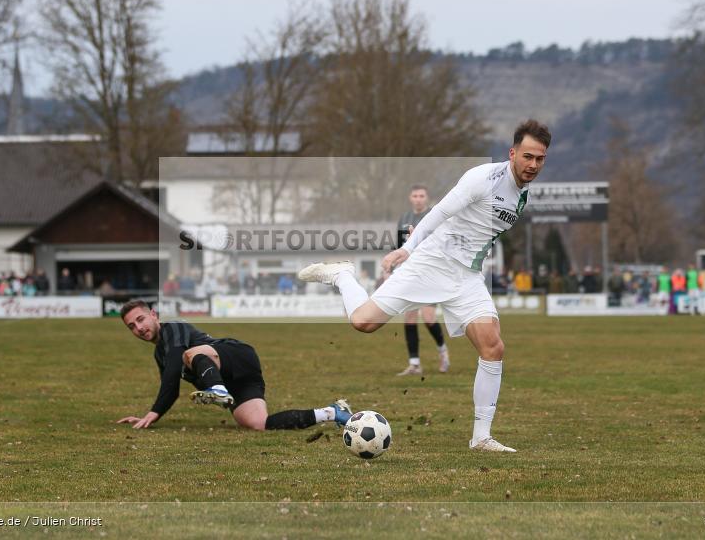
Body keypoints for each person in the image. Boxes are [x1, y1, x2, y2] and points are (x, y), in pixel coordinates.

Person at [298, 119, 551, 453]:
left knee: (493, 347)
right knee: (363, 322)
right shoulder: (483, 178)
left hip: (466, 277)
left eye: (540, 159)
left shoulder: (523, 193)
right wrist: (408, 248)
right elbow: (439, 213)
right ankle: (343, 274)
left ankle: (481, 437)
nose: (533, 164)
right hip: (431, 263)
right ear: (513, 153)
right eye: (528, 156)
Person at [116, 300, 353, 431]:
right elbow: (171, 388)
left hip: (235, 354)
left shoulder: (173, 327)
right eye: (132, 326)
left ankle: (217, 390)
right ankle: (332, 412)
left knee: (188, 354)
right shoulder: (160, 354)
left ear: (154, 315)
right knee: (259, 424)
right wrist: (150, 417)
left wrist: (153, 413)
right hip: (236, 378)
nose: (139, 328)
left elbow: (172, 371)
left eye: (141, 319)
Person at [395, 184, 449, 376]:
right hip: (410, 273)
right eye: (415, 195)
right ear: (411, 198)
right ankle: (414, 364)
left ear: (427, 198)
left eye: (421, 195)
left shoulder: (434, 216)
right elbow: (399, 247)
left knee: (428, 318)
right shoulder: (404, 219)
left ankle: (443, 351)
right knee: (409, 319)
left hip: (430, 273)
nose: (418, 198)